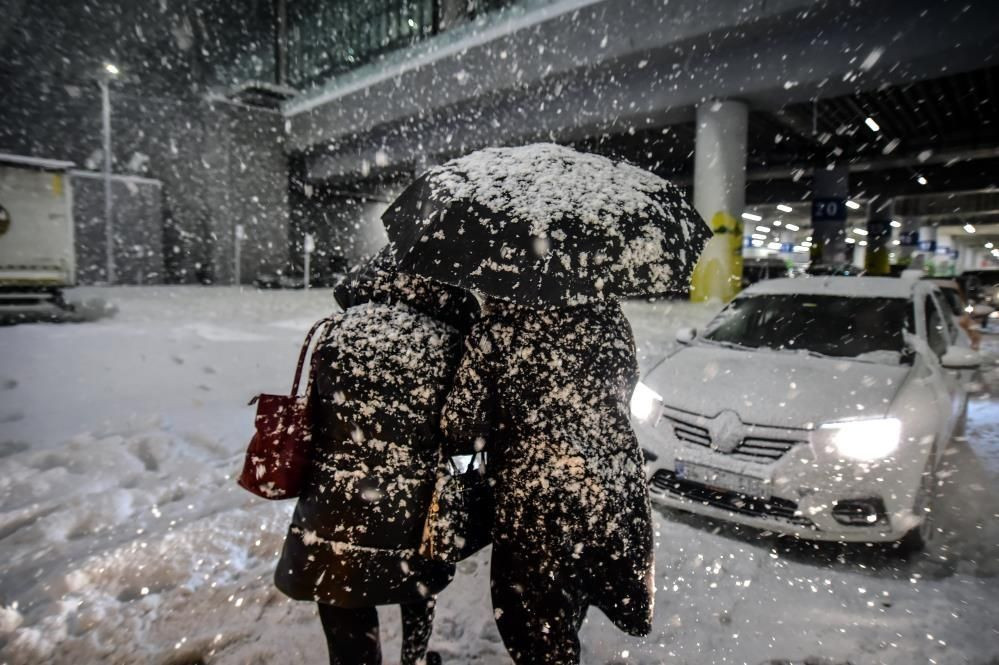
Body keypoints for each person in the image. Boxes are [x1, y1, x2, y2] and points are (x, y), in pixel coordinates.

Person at [274, 247, 479, 665]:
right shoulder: (450, 344)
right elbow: (462, 432)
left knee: (340, 589)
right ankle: (415, 658)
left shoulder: (335, 331)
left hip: (333, 502)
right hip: (410, 504)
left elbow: (317, 415)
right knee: (416, 583)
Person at [440, 297, 655, 664]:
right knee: (573, 603)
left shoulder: (495, 334)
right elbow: (624, 388)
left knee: (537, 629)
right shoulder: (610, 322)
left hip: (535, 503)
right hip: (607, 493)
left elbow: (461, 426)